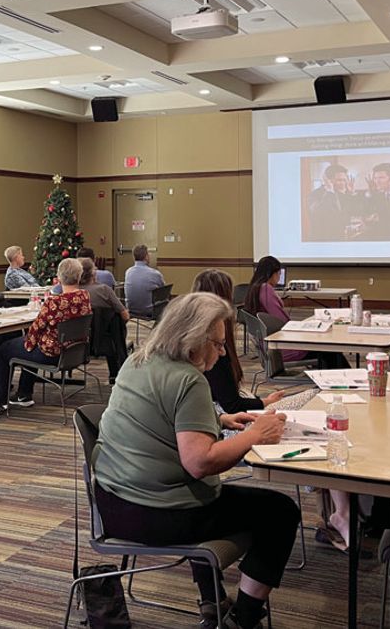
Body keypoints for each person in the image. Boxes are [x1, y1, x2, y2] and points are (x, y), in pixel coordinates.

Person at [92, 292, 300, 629]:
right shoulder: (189, 380)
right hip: (158, 514)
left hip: (112, 504)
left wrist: (215, 421)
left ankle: (212, 600)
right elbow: (200, 463)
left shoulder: (138, 361)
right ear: (193, 340)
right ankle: (244, 618)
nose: (221, 352)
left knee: (208, 491)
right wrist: (255, 434)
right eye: (217, 344)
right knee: (280, 511)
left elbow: (155, 415)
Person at [0, 258, 91, 412]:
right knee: (27, 345)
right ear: (79, 275)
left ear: (59, 277)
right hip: (73, 352)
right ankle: (23, 393)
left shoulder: (55, 302)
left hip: (52, 354)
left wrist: (28, 344)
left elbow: (36, 329)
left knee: (5, 348)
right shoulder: (85, 297)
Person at [192, 269, 285, 413]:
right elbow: (231, 406)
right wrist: (266, 402)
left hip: (217, 412)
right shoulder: (213, 348)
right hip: (225, 418)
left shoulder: (195, 336)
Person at [244, 256, 350, 369]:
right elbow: (282, 321)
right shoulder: (265, 289)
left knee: (327, 349)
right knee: (329, 348)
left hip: (270, 345)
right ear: (273, 273)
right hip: (280, 347)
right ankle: (349, 380)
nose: (278, 278)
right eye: (279, 274)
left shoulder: (253, 289)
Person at [80, 258, 128, 382]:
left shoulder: (72, 293)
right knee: (115, 321)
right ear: (93, 273)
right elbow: (125, 316)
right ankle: (115, 372)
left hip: (77, 342)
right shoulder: (104, 290)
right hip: (105, 341)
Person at [306, 163, 356, 241]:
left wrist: (351, 194)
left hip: (340, 238)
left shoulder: (341, 193)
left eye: (344, 180)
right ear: (328, 180)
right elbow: (318, 213)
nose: (343, 184)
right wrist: (329, 192)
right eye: (339, 180)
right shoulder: (314, 195)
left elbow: (350, 213)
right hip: (322, 240)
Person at [124, 244, 165, 317]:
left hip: (131, 310)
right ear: (146, 257)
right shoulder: (155, 274)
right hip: (149, 311)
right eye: (148, 253)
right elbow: (163, 292)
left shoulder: (128, 272)